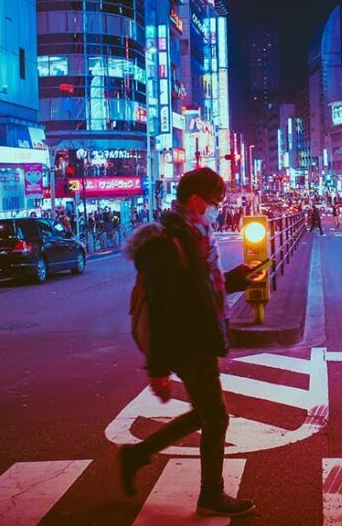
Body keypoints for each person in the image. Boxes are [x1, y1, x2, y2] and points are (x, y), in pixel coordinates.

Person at [118, 168, 258, 517]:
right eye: (213, 204)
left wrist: (235, 279)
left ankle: (136, 456)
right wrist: (158, 371)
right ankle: (211, 494)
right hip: (187, 341)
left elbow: (196, 288)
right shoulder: (167, 243)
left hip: (198, 335)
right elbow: (162, 307)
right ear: (195, 200)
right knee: (216, 416)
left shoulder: (193, 235)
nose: (215, 210)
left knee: (207, 414)